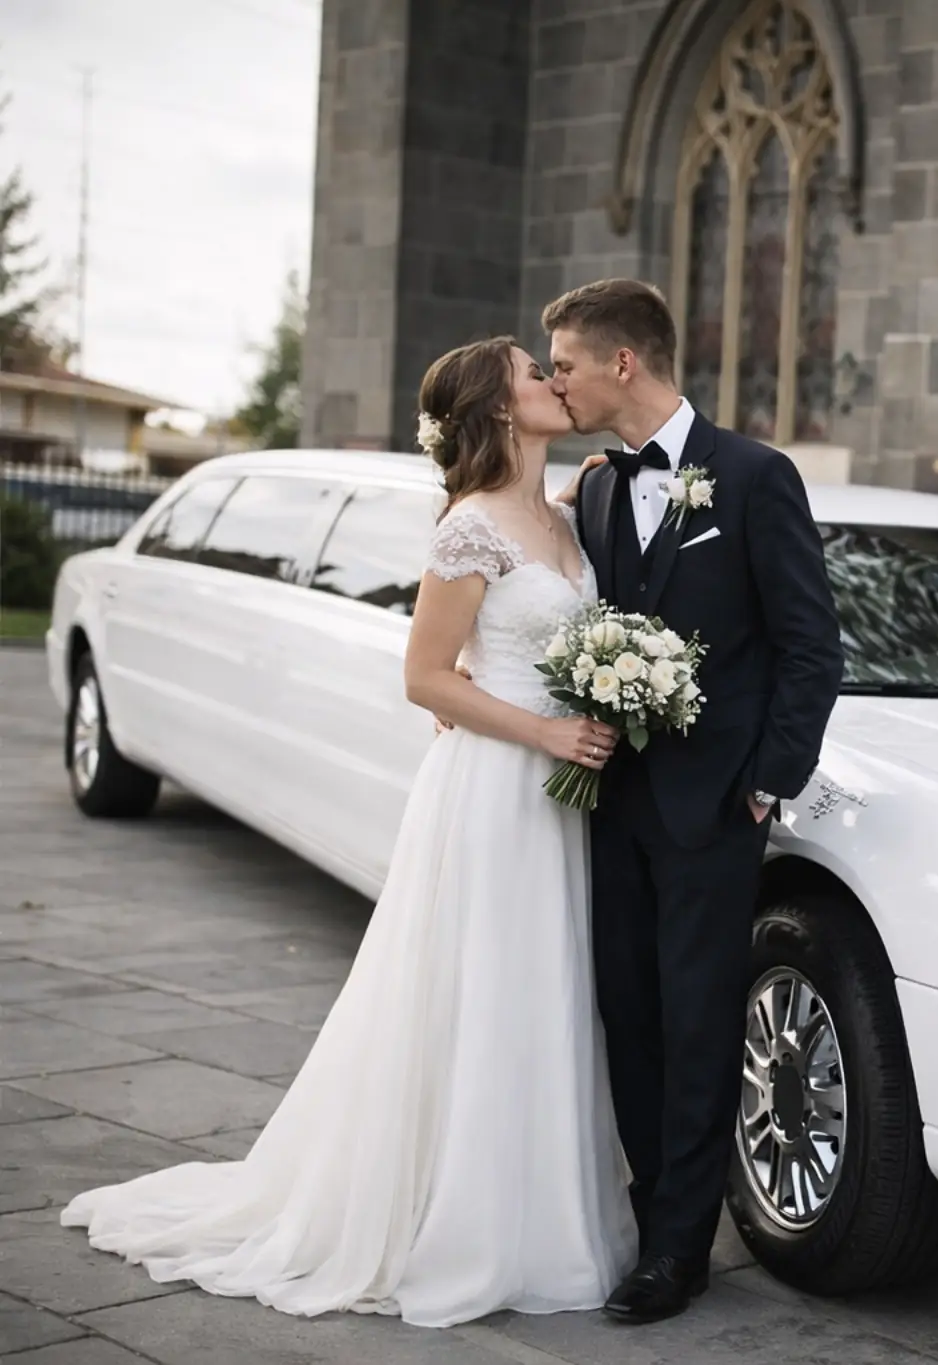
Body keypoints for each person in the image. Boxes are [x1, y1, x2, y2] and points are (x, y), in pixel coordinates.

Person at [59, 339, 637, 1328]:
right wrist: (545, 729)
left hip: (557, 801)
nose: (551, 377)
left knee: (543, 993)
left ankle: (539, 1208)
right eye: (530, 371)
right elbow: (426, 679)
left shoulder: (566, 513)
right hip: (494, 791)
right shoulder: (469, 529)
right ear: (498, 410)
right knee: (480, 992)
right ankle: (457, 1220)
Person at [542, 278, 843, 1324]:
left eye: (565, 364)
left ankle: (679, 1253)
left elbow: (811, 647)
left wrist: (766, 781)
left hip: (714, 811)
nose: (555, 383)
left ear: (622, 363)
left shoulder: (755, 477)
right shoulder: (589, 489)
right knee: (627, 1016)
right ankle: (644, 1215)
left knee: (698, 1025)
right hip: (608, 805)